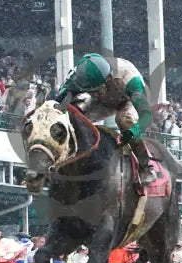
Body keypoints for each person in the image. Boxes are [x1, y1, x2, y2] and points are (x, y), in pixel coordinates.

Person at [56, 53, 156, 185]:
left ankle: (146, 166)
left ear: (108, 78)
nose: (96, 93)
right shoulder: (77, 76)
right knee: (74, 115)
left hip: (126, 99)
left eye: (98, 89)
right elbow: (58, 101)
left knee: (125, 120)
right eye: (93, 91)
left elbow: (146, 117)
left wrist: (133, 132)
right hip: (102, 101)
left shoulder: (131, 81)